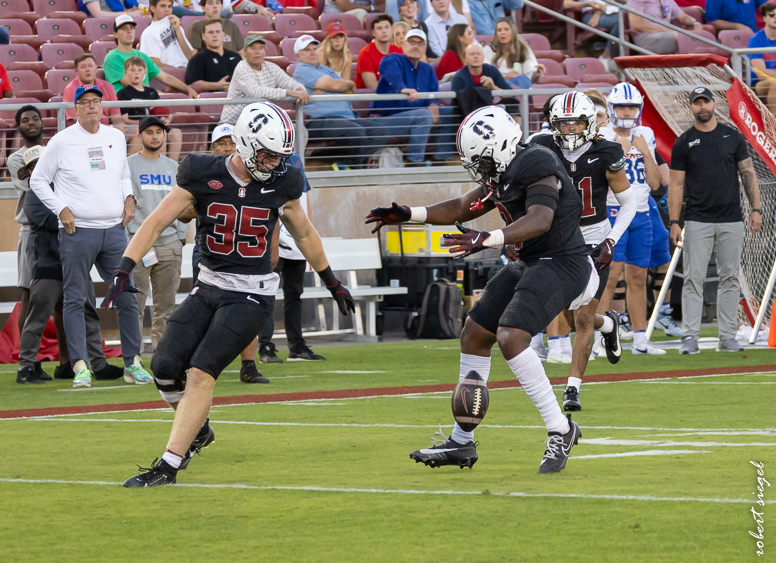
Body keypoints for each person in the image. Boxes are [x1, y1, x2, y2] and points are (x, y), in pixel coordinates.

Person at [110, 102, 355, 487]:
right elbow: (157, 220)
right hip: (207, 286)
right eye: (268, 154)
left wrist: (331, 280)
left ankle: (169, 466)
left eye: (280, 156)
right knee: (164, 368)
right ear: (243, 142)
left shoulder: (284, 182)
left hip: (252, 294)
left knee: (201, 372)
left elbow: (304, 233)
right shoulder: (200, 172)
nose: (275, 163)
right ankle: (198, 429)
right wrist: (125, 265)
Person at [366, 105, 597, 473]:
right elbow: (461, 207)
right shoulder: (502, 172)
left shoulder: (537, 162)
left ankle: (560, 428)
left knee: (511, 336)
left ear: (504, 146)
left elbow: (541, 219)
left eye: (484, 161)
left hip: (564, 262)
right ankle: (461, 443)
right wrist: (410, 214)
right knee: (474, 334)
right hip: (532, 263)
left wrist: (488, 238)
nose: (481, 169)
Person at [29, 85, 152, 389]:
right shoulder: (61, 141)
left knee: (126, 294)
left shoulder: (114, 136)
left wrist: (128, 198)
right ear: (75, 109)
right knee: (74, 298)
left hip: (113, 230)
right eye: (85, 103)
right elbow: (38, 180)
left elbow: (123, 174)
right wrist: (62, 209)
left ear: (102, 105)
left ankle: (133, 362)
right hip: (77, 230)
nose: (92, 107)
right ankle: (81, 366)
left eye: (96, 102)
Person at [530, 91, 635, 411]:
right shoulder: (542, 147)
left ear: (589, 122)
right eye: (564, 124)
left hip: (593, 238)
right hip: (556, 240)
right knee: (563, 310)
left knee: (584, 316)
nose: (571, 129)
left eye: (577, 123)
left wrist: (611, 241)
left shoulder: (607, 151)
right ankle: (610, 325)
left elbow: (629, 203)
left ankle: (572, 387)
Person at [178, 122, 277, 384]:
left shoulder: (258, 175)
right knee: (201, 311)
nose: (227, 148)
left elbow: (274, 217)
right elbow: (182, 212)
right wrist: (207, 201)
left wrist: (272, 249)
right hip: (210, 251)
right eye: (221, 144)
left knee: (246, 309)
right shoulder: (204, 176)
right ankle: (198, 364)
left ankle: (248, 364)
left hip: (248, 255)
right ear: (212, 148)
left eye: (231, 143)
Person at [17, 146, 125, 385]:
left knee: (88, 315)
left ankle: (98, 364)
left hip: (76, 263)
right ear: (30, 170)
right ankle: (26, 367)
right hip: (50, 266)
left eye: (42, 163)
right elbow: (62, 221)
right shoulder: (33, 194)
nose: (40, 168)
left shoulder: (65, 187)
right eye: (34, 166)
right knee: (38, 318)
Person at [669, 87, 762, 354]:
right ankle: (689, 337)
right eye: (697, 103)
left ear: (713, 104)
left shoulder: (732, 137)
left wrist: (756, 208)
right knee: (693, 279)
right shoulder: (683, 142)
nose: (702, 107)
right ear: (691, 107)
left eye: (705, 101)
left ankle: (727, 336)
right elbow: (675, 184)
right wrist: (675, 221)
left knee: (730, 277)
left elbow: (748, 173)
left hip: (732, 218)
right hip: (697, 219)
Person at [598, 82, 664, 355]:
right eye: (622, 106)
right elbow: (603, 177)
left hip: (642, 211)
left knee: (638, 275)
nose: (627, 111)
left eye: (632, 106)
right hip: (614, 210)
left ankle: (640, 339)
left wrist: (645, 151)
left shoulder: (645, 133)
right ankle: (600, 339)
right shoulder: (601, 134)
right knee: (610, 275)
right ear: (612, 108)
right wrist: (622, 150)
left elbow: (657, 183)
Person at [127, 117, 188, 352]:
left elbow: (184, 205)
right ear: (140, 136)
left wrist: (181, 237)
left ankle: (162, 355)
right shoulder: (128, 166)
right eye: (150, 132)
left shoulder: (174, 168)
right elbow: (123, 205)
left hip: (169, 244)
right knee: (135, 304)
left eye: (159, 132)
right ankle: (134, 356)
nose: (155, 136)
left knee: (167, 306)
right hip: (139, 243)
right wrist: (128, 240)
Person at [258, 157, 327, 363]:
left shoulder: (296, 160)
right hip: (274, 242)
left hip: (297, 243)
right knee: (267, 295)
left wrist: (312, 244)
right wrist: (271, 244)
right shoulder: (265, 159)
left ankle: (297, 346)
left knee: (295, 295)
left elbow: (305, 202)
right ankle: (266, 346)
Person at [294, 35, 388, 168]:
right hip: (320, 121)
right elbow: (338, 86)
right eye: (307, 50)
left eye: (314, 48)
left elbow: (350, 91)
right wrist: (344, 84)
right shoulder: (302, 70)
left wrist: (338, 86)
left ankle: (345, 164)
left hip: (347, 118)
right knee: (356, 132)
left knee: (380, 131)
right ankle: (355, 170)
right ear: (298, 55)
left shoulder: (324, 69)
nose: (312, 52)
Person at [373, 29, 455, 162]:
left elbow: (433, 93)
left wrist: (434, 104)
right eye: (411, 42)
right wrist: (401, 88)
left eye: (420, 43)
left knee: (450, 112)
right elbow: (386, 65)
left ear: (425, 48)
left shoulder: (428, 70)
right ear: (403, 45)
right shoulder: (393, 59)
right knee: (423, 115)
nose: (415, 46)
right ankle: (414, 163)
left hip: (417, 118)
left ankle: (441, 160)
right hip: (388, 120)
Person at [7, 106, 40, 355]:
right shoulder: (16, 158)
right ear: (18, 127)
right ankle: (25, 358)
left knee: (64, 298)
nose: (31, 122)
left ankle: (66, 359)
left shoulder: (54, 153)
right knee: (28, 294)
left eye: (35, 118)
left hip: (59, 230)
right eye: (25, 120)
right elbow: (34, 186)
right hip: (31, 231)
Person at [219, 35, 309, 125]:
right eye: (252, 48)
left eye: (261, 48)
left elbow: (289, 82)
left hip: (259, 120)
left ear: (265, 52)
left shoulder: (272, 67)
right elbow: (256, 92)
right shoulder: (241, 68)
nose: (257, 52)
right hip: (233, 123)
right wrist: (288, 93)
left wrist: (300, 90)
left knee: (299, 131)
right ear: (245, 52)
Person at [105, 14, 198, 99]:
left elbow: (165, 77)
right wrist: (152, 93)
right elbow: (130, 83)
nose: (129, 31)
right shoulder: (112, 57)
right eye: (124, 28)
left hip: (146, 102)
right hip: (125, 104)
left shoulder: (142, 56)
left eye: (132, 28)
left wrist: (187, 89)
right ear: (116, 34)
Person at [116, 56, 184, 162]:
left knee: (176, 133)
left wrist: (167, 119)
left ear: (145, 73)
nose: (136, 73)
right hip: (140, 126)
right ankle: (158, 165)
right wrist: (146, 123)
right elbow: (124, 118)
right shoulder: (123, 93)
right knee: (159, 133)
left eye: (140, 70)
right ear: (125, 73)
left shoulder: (152, 91)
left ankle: (172, 169)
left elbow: (165, 112)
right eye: (132, 70)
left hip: (155, 124)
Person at [63, 54, 125, 132]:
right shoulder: (70, 89)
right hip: (83, 131)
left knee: (136, 133)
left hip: (108, 129)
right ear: (76, 71)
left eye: (90, 66)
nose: (87, 69)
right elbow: (77, 119)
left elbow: (116, 116)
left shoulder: (108, 86)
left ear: (96, 68)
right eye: (83, 67)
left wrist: (119, 131)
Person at [483, 17, 544, 89]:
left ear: (513, 32)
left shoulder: (523, 48)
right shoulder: (489, 49)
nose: (502, 33)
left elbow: (529, 77)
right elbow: (486, 76)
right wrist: (505, 78)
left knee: (522, 79)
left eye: (506, 29)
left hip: (520, 84)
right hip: (497, 86)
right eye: (499, 30)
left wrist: (537, 73)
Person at [627, 0, 704, 54]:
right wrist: (669, 30)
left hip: (669, 35)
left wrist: (695, 22)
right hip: (647, 37)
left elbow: (683, 17)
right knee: (685, 39)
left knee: (705, 36)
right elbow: (637, 25)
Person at [184, 19, 242, 91]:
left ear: (223, 35)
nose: (214, 35)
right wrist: (217, 86)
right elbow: (192, 84)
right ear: (203, 36)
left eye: (217, 32)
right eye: (210, 32)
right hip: (211, 100)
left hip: (237, 99)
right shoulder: (197, 59)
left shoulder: (236, 57)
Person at [562, 0, 620, 70]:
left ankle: (614, 59)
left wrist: (598, 12)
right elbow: (566, 4)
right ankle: (606, 57)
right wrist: (587, 4)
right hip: (590, 14)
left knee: (625, 19)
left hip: (610, 12)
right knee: (621, 21)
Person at [140, 0, 195, 69]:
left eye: (169, 6)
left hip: (189, 70)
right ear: (152, 8)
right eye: (163, 6)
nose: (167, 10)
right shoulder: (148, 33)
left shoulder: (176, 24)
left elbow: (190, 57)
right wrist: (178, 71)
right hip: (171, 73)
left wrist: (178, 30)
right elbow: (153, 63)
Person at [356, 15, 403, 89]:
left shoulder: (399, 51)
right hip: (371, 98)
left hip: (395, 96)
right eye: (379, 28)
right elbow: (373, 87)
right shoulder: (365, 53)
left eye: (387, 27)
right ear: (373, 33)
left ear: (391, 30)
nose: (384, 31)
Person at [749, 3, 776, 113]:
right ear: (764, 18)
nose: (775, 17)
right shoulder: (755, 40)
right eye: (771, 14)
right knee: (774, 83)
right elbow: (761, 74)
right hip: (758, 85)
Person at [78, 0, 143, 17]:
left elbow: (129, 10)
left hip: (124, 23)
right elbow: (98, 15)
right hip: (102, 26)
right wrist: (127, 14)